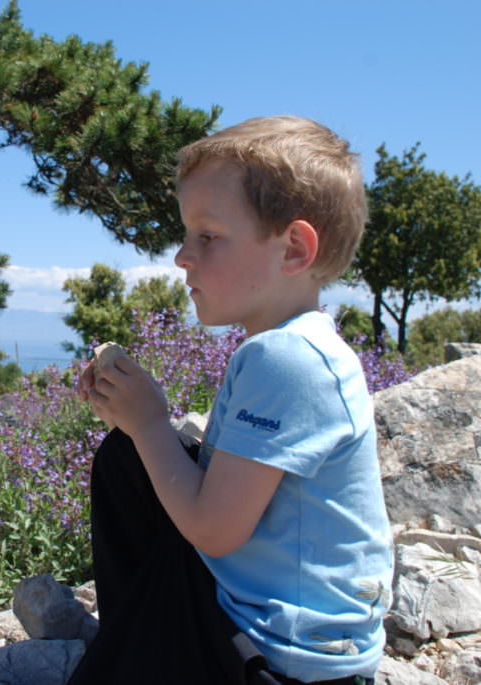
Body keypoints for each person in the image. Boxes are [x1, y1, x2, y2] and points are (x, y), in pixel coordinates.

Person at [69, 116, 393, 684]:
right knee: (129, 462)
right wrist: (138, 421)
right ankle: (138, 639)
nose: (181, 256)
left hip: (279, 658)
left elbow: (215, 530)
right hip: (288, 633)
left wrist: (148, 423)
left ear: (293, 248)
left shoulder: (285, 358)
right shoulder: (292, 347)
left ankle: (135, 650)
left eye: (207, 237)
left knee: (137, 451)